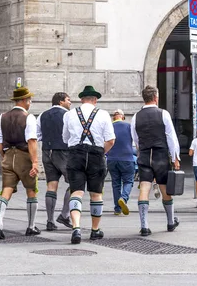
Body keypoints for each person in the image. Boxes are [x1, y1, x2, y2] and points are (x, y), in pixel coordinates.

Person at [62, 85, 115, 244]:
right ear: (95, 100)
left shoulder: (70, 114)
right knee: (96, 194)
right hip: (96, 154)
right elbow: (111, 140)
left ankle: (76, 227)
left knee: (76, 192)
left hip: (75, 154)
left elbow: (65, 138)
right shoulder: (104, 114)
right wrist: (101, 153)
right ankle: (94, 230)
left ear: (81, 99)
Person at [131, 85, 181, 237]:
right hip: (160, 155)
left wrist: (143, 149)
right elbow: (171, 137)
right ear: (155, 98)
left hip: (145, 154)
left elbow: (135, 139)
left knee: (144, 188)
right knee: (165, 189)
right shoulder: (163, 114)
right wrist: (175, 157)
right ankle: (170, 221)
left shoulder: (135, 116)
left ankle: (144, 225)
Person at [0, 87, 40, 239]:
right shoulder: (29, 117)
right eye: (29, 100)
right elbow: (31, 141)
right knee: (31, 189)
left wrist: (4, 155)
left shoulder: (2, 117)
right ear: (25, 101)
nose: (30, 103)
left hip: (8, 156)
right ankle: (31, 226)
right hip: (24, 156)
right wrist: (35, 162)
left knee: (6, 190)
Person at [37, 92, 73, 231]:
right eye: (68, 100)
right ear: (60, 101)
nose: (70, 103)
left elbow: (38, 134)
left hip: (47, 151)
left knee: (51, 185)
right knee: (75, 182)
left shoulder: (42, 115)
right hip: (64, 152)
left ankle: (50, 221)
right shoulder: (68, 115)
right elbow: (72, 133)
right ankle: (64, 214)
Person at [106, 109, 136, 216]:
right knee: (128, 181)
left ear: (113, 117)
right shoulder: (128, 126)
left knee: (116, 184)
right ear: (123, 117)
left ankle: (117, 209)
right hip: (127, 158)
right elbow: (135, 141)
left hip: (111, 159)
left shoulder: (108, 126)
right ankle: (123, 198)